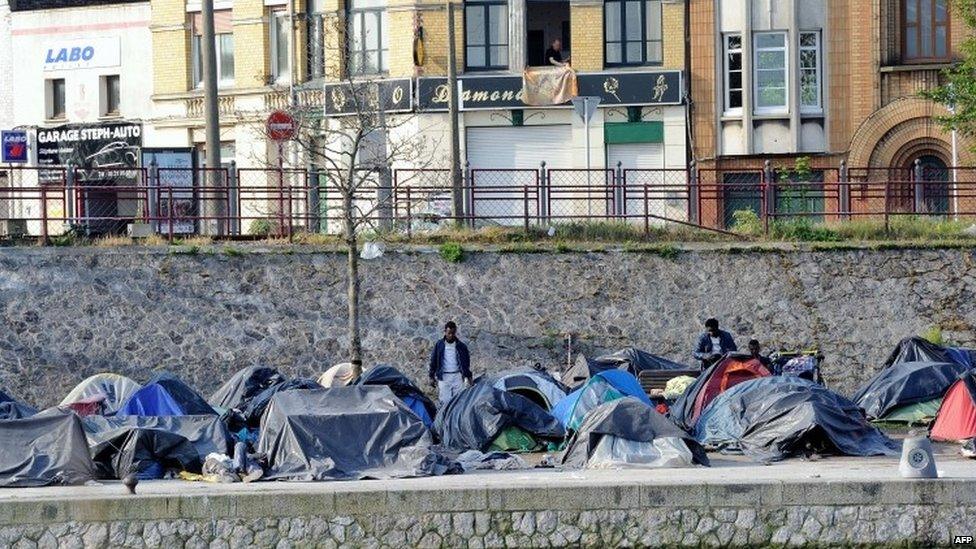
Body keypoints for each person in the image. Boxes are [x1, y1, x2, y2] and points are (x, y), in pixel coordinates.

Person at [428, 321, 472, 407]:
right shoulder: (439, 345)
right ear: (445, 332)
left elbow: (466, 363)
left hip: (457, 376)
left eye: (453, 333)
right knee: (445, 402)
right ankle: (443, 420)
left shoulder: (461, 346)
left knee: (459, 401)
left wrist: (468, 376)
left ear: (455, 332)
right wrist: (431, 376)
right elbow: (433, 361)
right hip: (444, 377)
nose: (451, 335)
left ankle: (456, 420)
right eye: (449, 333)